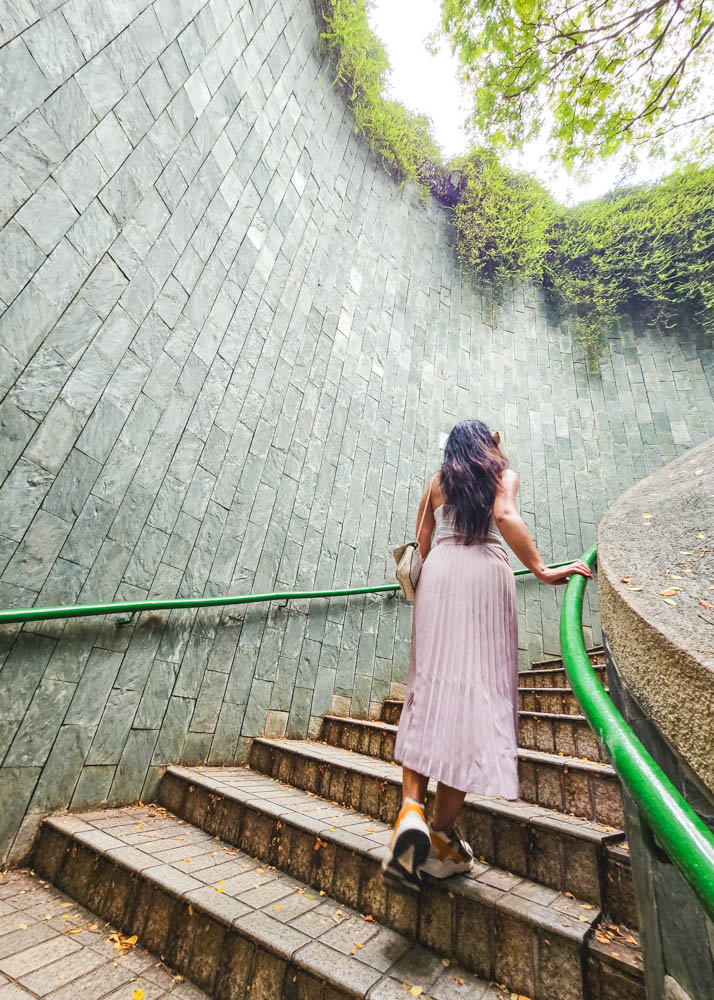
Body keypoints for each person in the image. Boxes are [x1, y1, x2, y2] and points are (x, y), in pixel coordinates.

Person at [381, 419, 592, 892]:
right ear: (488, 445)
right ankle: (440, 838)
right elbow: (504, 516)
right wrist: (540, 568)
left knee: (428, 690)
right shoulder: (503, 476)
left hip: (440, 577)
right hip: (484, 578)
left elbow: (424, 542)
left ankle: (410, 812)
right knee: (472, 706)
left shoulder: (436, 483)